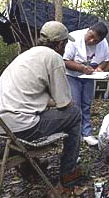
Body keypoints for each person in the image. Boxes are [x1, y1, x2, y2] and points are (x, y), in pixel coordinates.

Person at [0, 21, 82, 192]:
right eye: (65, 44)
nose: (65, 48)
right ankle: (68, 175)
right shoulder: (54, 58)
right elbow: (65, 103)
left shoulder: (27, 55)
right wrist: (55, 101)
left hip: (3, 126)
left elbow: (32, 95)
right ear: (60, 44)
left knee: (50, 113)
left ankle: (31, 169)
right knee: (74, 114)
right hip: (21, 127)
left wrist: (49, 101)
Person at [63, 22, 109, 146]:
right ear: (89, 30)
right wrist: (82, 68)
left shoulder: (103, 44)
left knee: (86, 104)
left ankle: (87, 133)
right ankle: (74, 134)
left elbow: (105, 60)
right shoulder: (74, 38)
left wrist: (100, 68)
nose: (92, 40)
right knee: (75, 105)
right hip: (72, 76)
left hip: (89, 77)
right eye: (91, 36)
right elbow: (65, 60)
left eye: (96, 40)